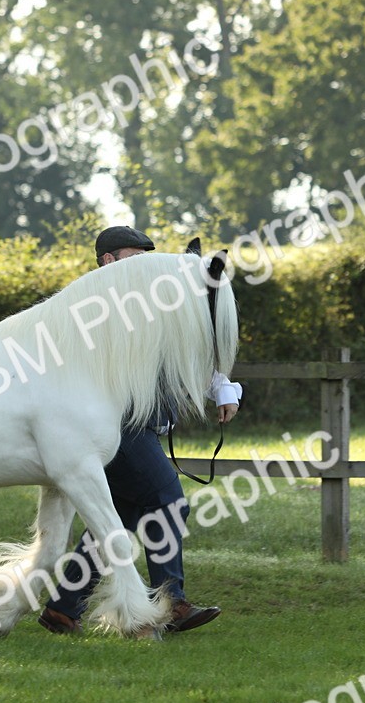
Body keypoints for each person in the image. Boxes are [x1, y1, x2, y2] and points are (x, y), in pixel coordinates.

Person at [38, 226, 242, 635]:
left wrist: (221, 386)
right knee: (167, 499)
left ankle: (63, 609)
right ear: (108, 261)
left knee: (118, 518)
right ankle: (172, 601)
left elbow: (180, 346)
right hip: (118, 426)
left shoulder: (141, 301)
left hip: (133, 425)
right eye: (135, 257)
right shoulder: (92, 305)